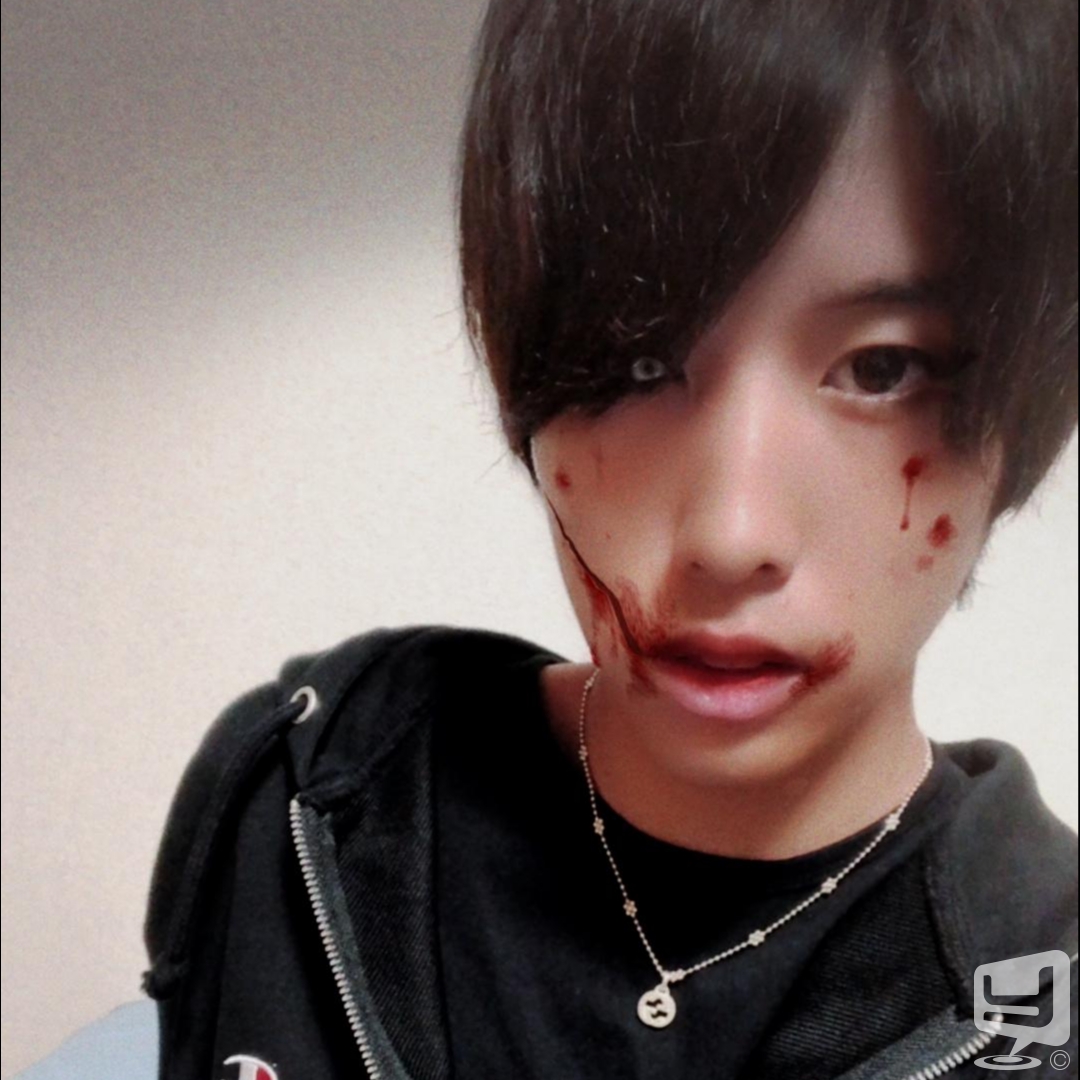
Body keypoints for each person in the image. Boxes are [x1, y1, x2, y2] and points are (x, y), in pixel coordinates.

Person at [22, 0, 1077, 1078]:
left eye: (881, 368)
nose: (730, 537)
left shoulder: (1043, 1000)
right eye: (638, 358)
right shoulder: (307, 795)